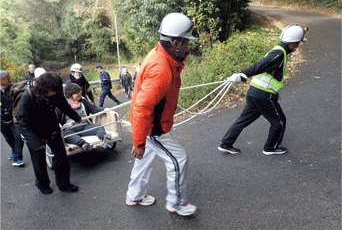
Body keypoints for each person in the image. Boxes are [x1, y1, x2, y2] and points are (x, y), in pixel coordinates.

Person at [126, 13, 197, 216]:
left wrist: (141, 140)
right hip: (153, 127)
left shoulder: (160, 54)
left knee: (144, 160)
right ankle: (176, 202)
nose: (186, 47)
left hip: (148, 125)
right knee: (178, 159)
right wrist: (139, 141)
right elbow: (142, 107)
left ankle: (134, 195)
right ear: (175, 42)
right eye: (185, 43)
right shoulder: (161, 69)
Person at [218, 24, 308, 155]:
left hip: (255, 92)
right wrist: (243, 74)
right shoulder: (279, 53)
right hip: (264, 96)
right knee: (279, 122)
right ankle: (270, 148)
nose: (299, 45)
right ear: (293, 43)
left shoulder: (278, 50)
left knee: (243, 120)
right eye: (299, 43)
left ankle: (226, 143)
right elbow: (261, 65)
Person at [16, 72, 82, 194]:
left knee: (61, 157)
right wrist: (35, 142)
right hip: (34, 133)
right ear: (43, 88)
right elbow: (21, 121)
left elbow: (64, 106)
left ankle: (64, 184)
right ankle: (42, 184)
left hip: (53, 130)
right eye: (52, 90)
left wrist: (77, 117)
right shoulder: (28, 96)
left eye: (56, 90)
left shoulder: (56, 92)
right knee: (39, 162)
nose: (55, 93)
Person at [56, 83, 113, 151]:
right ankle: (84, 144)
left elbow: (94, 109)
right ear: (70, 95)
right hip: (70, 129)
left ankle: (104, 138)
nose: (80, 93)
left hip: (85, 127)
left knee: (99, 127)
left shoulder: (83, 101)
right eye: (76, 93)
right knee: (66, 135)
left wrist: (105, 109)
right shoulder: (63, 105)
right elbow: (56, 118)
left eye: (79, 91)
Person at [0, 70, 26, 167]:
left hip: (14, 118)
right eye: (8, 78)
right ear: (1, 80)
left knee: (19, 137)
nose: (10, 79)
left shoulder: (14, 88)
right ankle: (14, 151)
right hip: (1, 120)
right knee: (8, 138)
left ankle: (17, 158)